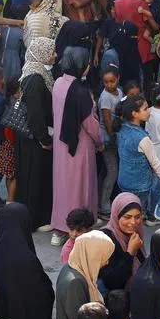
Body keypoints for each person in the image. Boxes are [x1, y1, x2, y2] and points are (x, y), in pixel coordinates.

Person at [52, 47, 102, 236]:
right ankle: (78, 226)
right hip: (79, 145)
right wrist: (100, 141)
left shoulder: (58, 83)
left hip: (61, 143)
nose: (88, 66)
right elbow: (91, 125)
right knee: (79, 187)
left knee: (63, 184)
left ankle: (60, 225)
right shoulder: (81, 92)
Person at [15, 37, 56, 230]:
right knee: (34, 177)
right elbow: (35, 113)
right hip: (34, 139)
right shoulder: (35, 79)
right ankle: (35, 218)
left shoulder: (36, 73)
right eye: (51, 52)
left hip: (32, 137)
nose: (55, 56)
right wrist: (44, 138)